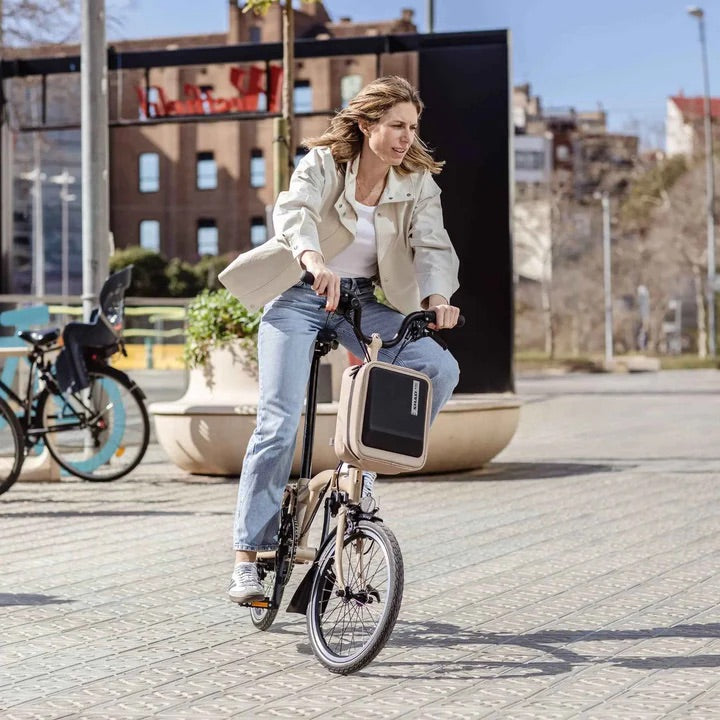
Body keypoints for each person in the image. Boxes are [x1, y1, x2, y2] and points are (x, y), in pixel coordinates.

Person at [226, 75, 461, 602]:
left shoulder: (416, 181)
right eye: (396, 126)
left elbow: (433, 246)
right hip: (299, 293)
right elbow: (295, 213)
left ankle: (364, 469)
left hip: (362, 302)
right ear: (367, 123)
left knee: (439, 368)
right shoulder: (324, 164)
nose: (406, 137)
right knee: (278, 422)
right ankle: (247, 557)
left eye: (412, 127)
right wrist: (314, 261)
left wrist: (436, 299)